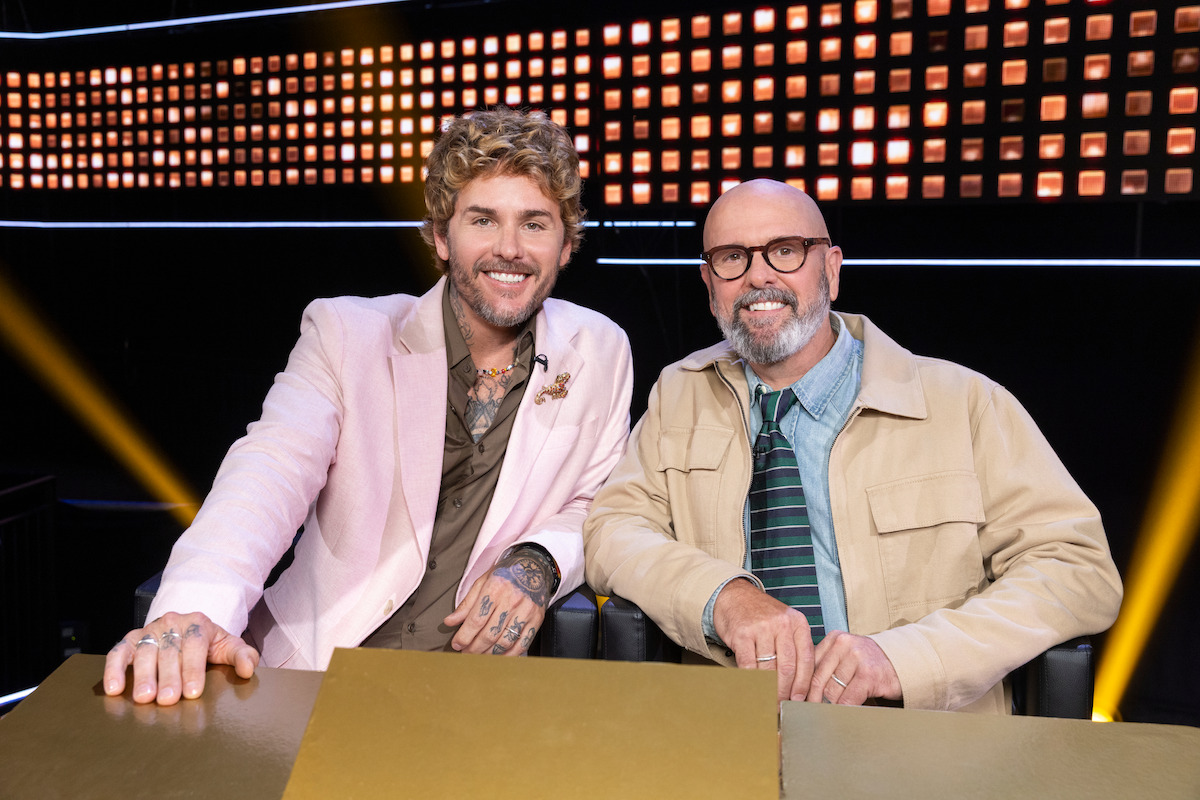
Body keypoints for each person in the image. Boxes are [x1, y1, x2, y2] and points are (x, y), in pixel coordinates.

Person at [104, 107, 633, 705]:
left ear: (566, 245)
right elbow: (268, 470)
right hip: (312, 678)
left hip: (473, 698)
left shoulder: (601, 349)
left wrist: (536, 563)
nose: (509, 249)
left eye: (534, 224)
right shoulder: (345, 332)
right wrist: (192, 610)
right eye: (483, 219)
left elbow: (599, 503)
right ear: (441, 236)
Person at [582, 178, 1121, 713]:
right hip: (729, 729)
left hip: (919, 747)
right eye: (731, 258)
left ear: (832, 269)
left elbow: (1077, 569)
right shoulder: (679, 393)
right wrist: (723, 596)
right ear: (709, 282)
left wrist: (905, 659)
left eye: (786, 251)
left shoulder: (965, 403)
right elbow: (613, 529)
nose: (758, 276)